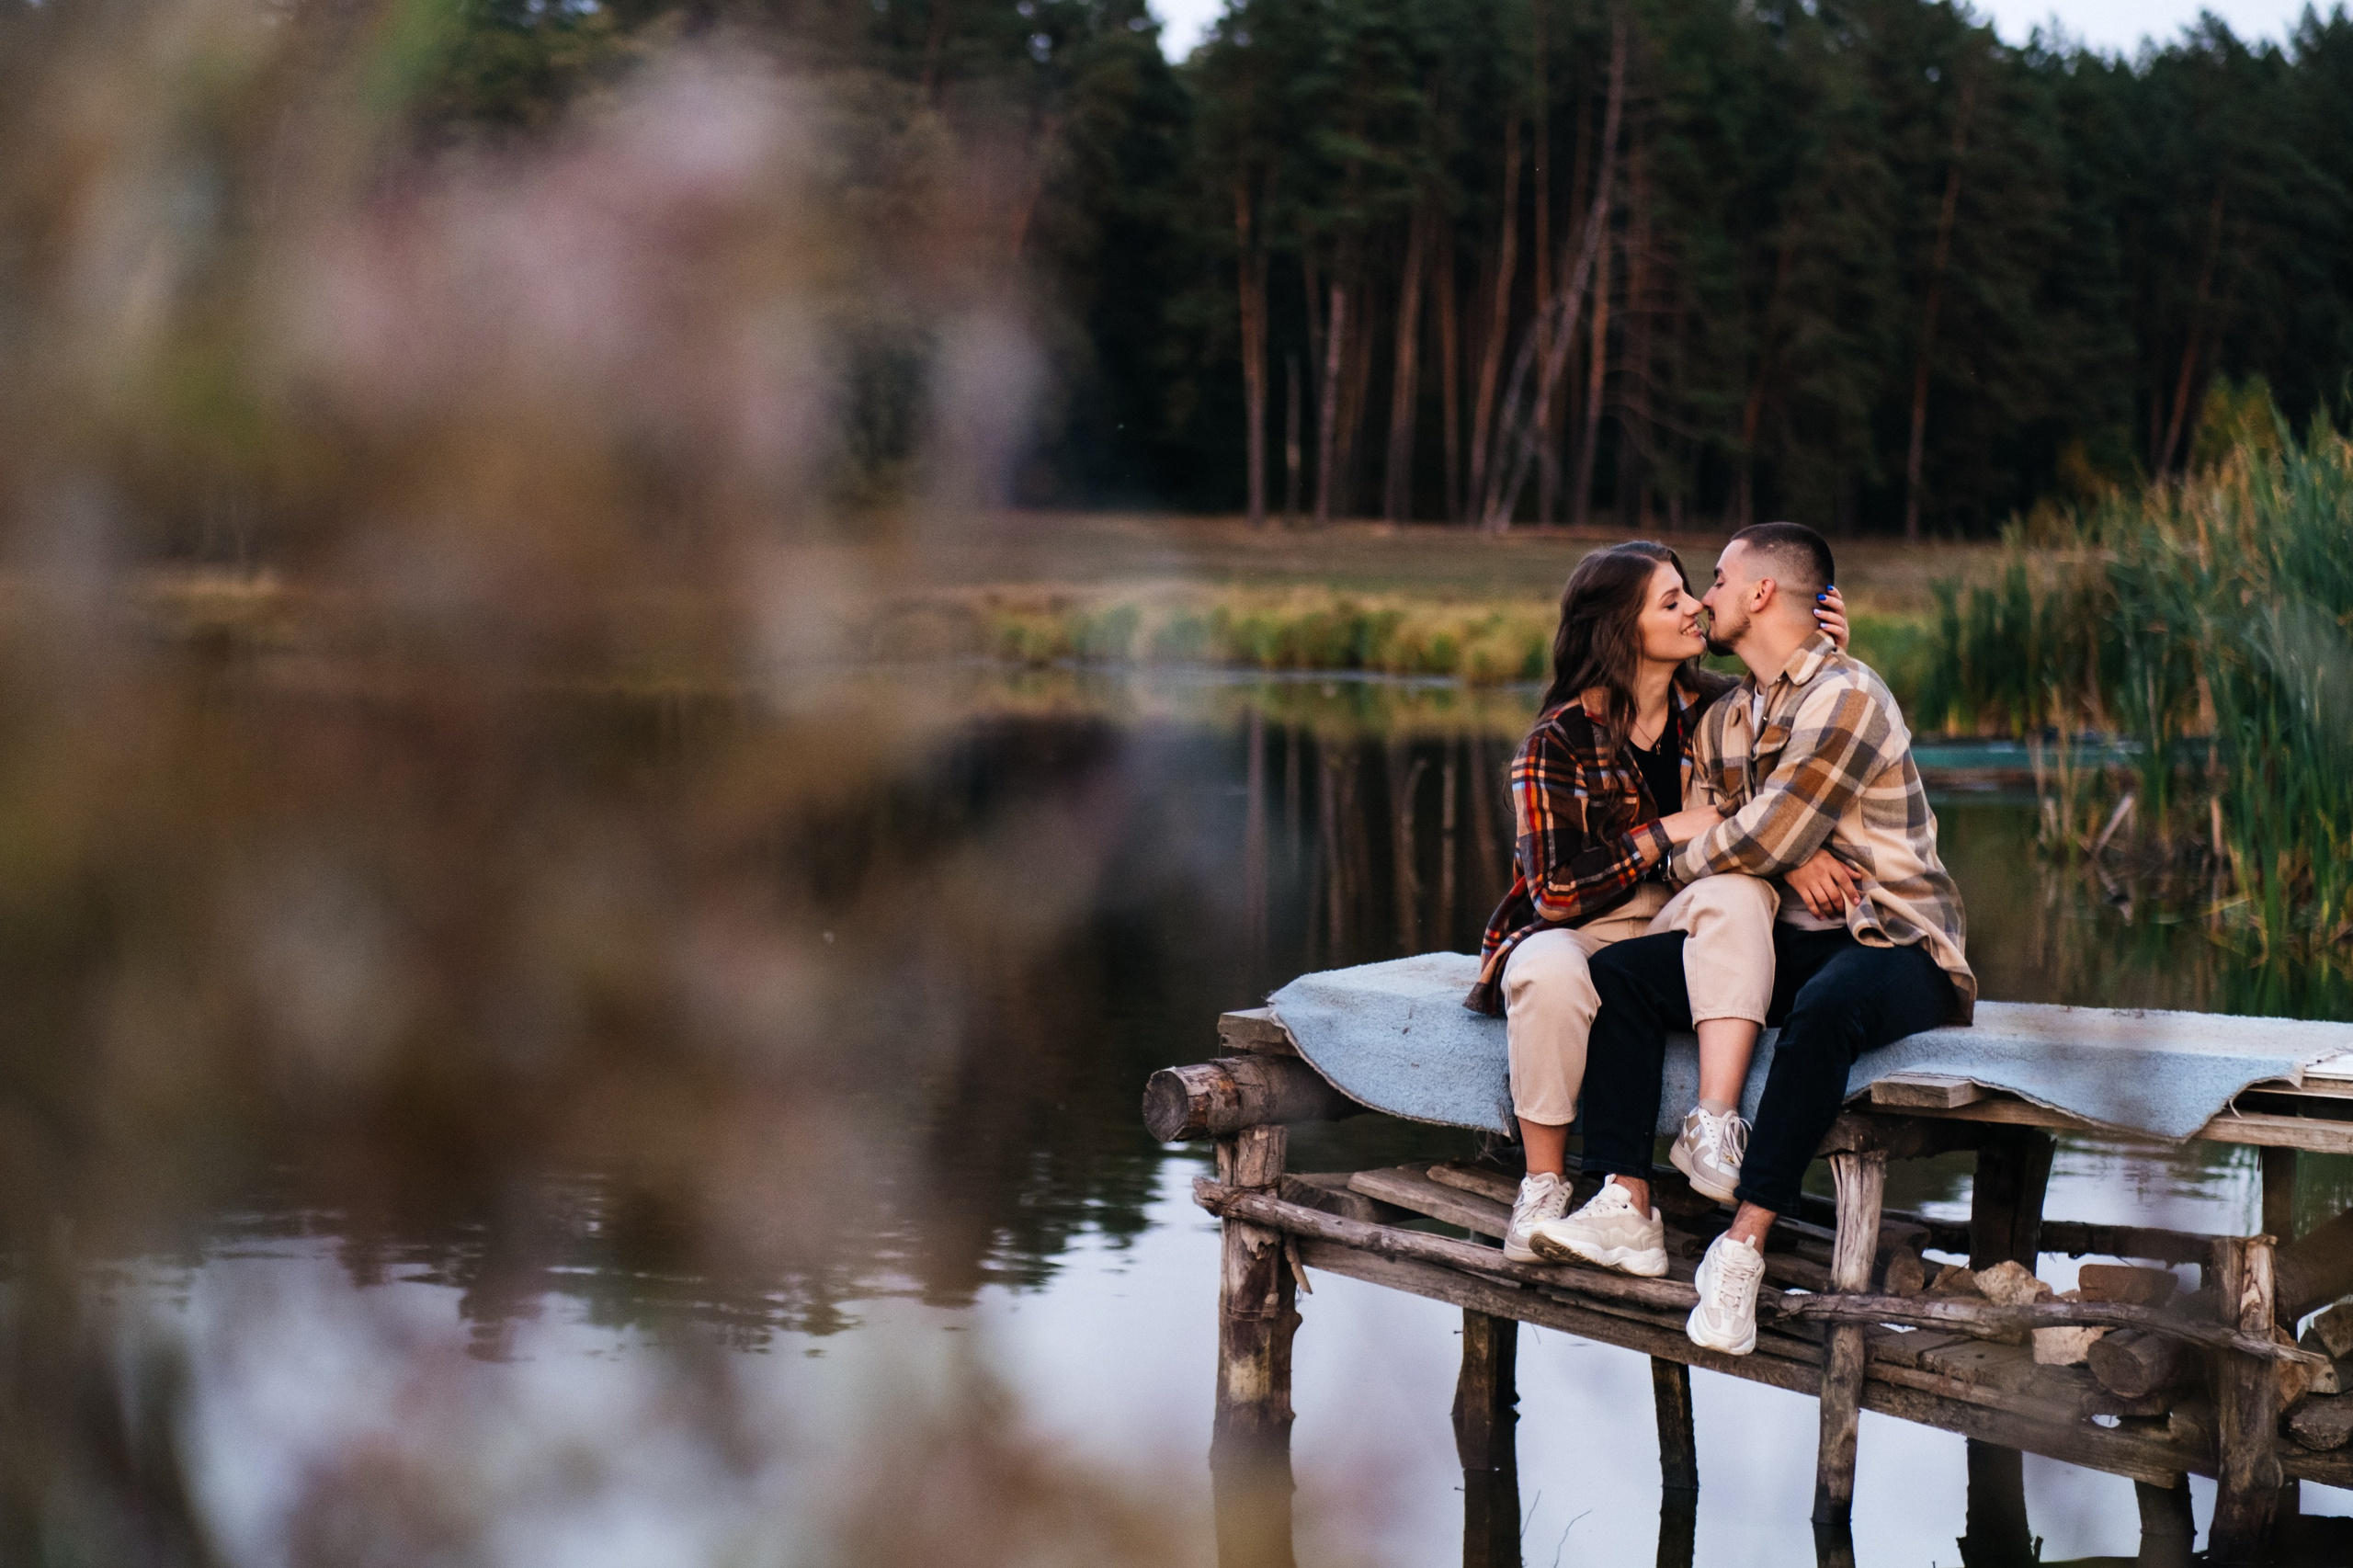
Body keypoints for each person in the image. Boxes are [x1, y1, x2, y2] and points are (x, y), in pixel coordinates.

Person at [1527, 521, 1975, 1358]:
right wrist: (1774, 854)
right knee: (1623, 976)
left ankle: (1745, 1245)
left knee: (1824, 1011)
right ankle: (1625, 1200)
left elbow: (1757, 836)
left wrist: (1762, 847)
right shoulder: (1727, 717)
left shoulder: (1847, 696)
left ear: (1762, 593)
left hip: (1897, 944)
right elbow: (1741, 843)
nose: (1705, 599)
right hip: (1795, 932)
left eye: (1720, 581)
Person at [1464, 540, 1851, 1265]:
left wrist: (1828, 648)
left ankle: (1713, 1124)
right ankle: (1543, 1185)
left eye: (1690, 592)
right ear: (1619, 628)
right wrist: (1664, 831)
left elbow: (1796, 738)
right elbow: (1552, 893)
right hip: (1584, 927)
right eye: (1670, 601)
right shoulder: (1556, 742)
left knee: (1738, 892)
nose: (1697, 606)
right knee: (1543, 969)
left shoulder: (1714, 705)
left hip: (1681, 919)